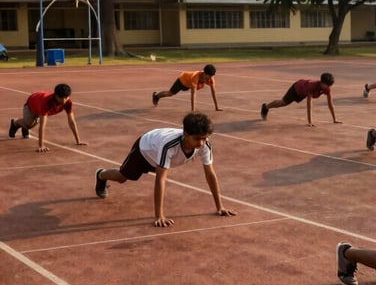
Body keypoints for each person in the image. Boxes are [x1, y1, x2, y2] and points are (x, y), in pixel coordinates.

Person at [94, 112, 236, 228]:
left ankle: (102, 175)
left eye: (204, 138)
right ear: (185, 134)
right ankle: (101, 175)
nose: (201, 143)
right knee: (122, 177)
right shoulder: (169, 145)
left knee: (136, 174)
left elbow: (210, 174)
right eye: (197, 138)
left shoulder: (205, 145)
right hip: (145, 150)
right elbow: (160, 179)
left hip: (159, 153)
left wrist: (220, 207)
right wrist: (159, 216)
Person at [8, 83, 87, 153]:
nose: (64, 100)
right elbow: (42, 126)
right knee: (29, 125)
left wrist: (78, 141)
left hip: (39, 105)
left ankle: (25, 126)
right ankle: (15, 123)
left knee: (30, 124)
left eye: (66, 97)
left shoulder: (68, 102)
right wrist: (41, 145)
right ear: (56, 96)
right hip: (32, 105)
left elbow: (72, 121)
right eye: (61, 97)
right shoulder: (46, 103)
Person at [260, 72, 340, 126]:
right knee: (283, 103)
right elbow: (309, 104)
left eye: (330, 85)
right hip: (297, 88)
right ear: (322, 83)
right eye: (327, 85)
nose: (329, 87)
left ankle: (266, 106)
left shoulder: (327, 89)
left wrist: (334, 119)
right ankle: (266, 107)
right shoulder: (312, 86)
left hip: (303, 92)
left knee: (284, 103)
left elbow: (330, 103)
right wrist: (310, 122)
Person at [152, 64, 221, 111]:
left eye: (212, 76)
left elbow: (213, 92)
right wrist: (193, 111)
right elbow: (193, 95)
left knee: (200, 85)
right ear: (205, 73)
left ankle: (156, 96)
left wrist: (216, 107)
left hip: (189, 84)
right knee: (171, 93)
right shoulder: (195, 77)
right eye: (209, 76)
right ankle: (156, 95)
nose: (211, 78)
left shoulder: (211, 79)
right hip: (182, 80)